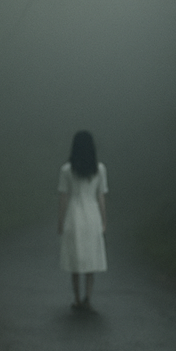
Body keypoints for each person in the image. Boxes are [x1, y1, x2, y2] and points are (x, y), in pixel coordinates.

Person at [57, 130, 108, 309]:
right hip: (92, 213)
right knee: (91, 255)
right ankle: (88, 297)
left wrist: (60, 221)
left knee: (75, 257)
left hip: (74, 214)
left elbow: (64, 198)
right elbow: (101, 196)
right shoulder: (100, 169)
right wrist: (104, 220)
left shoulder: (66, 170)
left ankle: (77, 299)